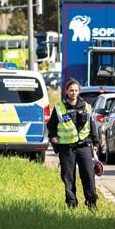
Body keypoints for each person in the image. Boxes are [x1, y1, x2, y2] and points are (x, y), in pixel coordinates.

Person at [48, 79, 98, 209]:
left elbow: (92, 126)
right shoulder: (59, 108)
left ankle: (91, 203)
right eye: (71, 90)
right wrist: (53, 137)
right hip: (67, 148)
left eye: (76, 90)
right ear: (66, 91)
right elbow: (51, 125)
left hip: (84, 146)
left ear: (79, 91)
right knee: (68, 178)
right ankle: (71, 204)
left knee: (88, 175)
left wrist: (96, 143)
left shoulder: (86, 107)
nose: (73, 93)